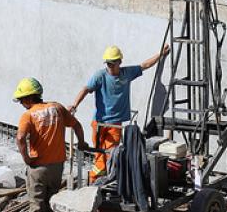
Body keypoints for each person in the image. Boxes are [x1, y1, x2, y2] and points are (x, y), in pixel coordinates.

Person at [69, 44, 170, 182]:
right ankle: (98, 181)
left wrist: (161, 54)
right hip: (99, 123)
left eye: (112, 63)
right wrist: (75, 105)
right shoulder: (100, 76)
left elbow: (145, 65)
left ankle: (96, 181)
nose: (110, 66)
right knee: (100, 155)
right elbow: (86, 89)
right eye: (108, 64)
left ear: (119, 62)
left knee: (110, 154)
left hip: (115, 124)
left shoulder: (127, 73)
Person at [14, 77, 88, 212]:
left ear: (29, 98)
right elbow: (77, 126)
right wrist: (81, 143)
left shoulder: (29, 115)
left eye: (22, 100)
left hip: (38, 168)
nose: (22, 104)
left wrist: (27, 159)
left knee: (38, 209)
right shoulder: (57, 108)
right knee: (49, 205)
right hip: (57, 167)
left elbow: (21, 138)